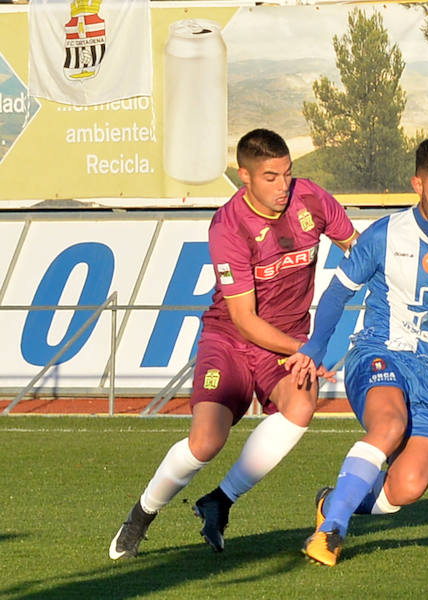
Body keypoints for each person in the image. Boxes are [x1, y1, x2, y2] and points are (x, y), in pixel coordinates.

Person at [108, 129, 358, 559]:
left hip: (287, 341)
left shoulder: (312, 199)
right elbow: (244, 319)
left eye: (286, 174)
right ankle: (141, 516)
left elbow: (357, 248)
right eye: (269, 177)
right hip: (231, 338)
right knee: (206, 442)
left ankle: (219, 502)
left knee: (300, 407)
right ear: (244, 175)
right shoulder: (228, 225)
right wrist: (305, 351)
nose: (282, 187)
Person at [285, 136, 428, 566]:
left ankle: (336, 501)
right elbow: (337, 293)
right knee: (389, 425)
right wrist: (315, 346)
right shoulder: (384, 235)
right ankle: (329, 533)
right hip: (378, 354)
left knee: (408, 485)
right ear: (417, 184)